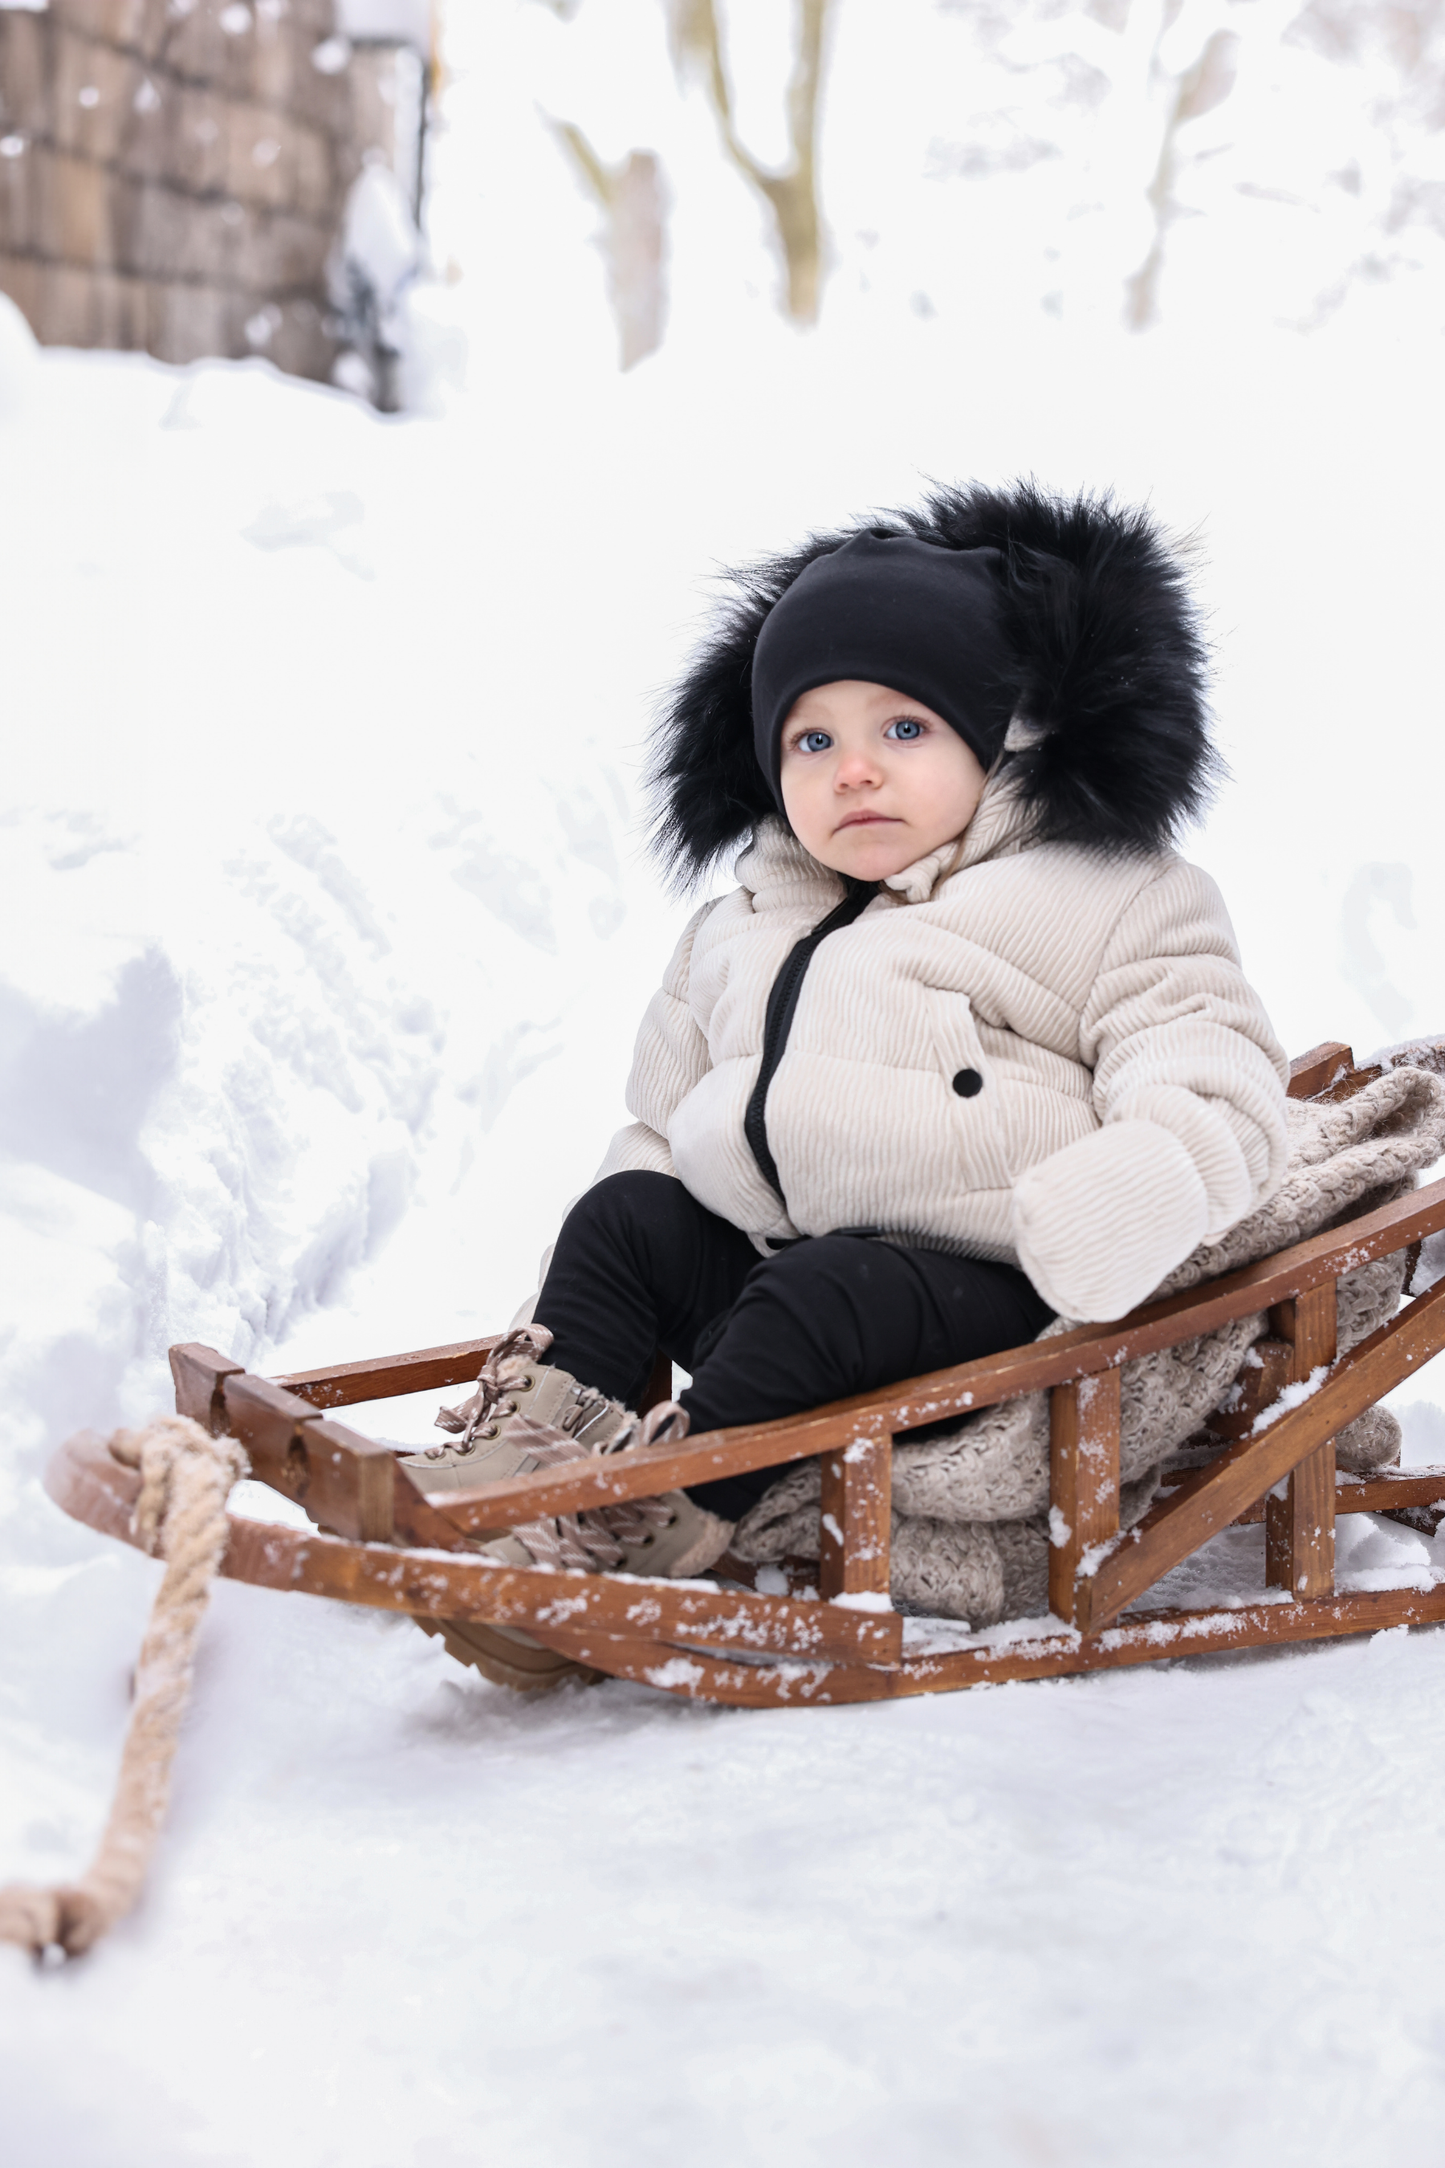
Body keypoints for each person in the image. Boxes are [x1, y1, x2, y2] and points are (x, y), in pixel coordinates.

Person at [404, 480, 1289, 1685]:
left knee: (822, 1288)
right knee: (625, 1214)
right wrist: (637, 1225)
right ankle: (525, 1465)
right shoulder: (747, 917)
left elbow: (1213, 1078)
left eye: (904, 730)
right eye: (811, 740)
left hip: (991, 1297)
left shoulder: (1111, 893)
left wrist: (1121, 1194)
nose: (853, 771)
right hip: (782, 1284)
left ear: (1007, 730)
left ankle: (645, 1527)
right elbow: (662, 1117)